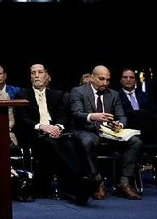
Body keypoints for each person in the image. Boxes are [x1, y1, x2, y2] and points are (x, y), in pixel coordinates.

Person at [15, 63, 96, 203]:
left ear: (47, 76)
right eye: (33, 73)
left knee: (71, 141)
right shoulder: (22, 94)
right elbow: (22, 120)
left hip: (56, 134)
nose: (36, 75)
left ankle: (80, 185)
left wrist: (57, 127)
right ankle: (81, 181)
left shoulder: (57, 95)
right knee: (50, 143)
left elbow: (63, 117)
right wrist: (42, 127)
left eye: (40, 72)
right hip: (34, 135)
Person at [69, 65, 143, 200]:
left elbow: (122, 116)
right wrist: (93, 116)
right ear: (92, 78)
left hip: (109, 132)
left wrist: (118, 125)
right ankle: (98, 182)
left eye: (108, 80)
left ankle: (124, 183)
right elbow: (76, 113)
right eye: (101, 79)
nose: (105, 83)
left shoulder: (113, 94)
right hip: (86, 130)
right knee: (87, 141)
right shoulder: (78, 91)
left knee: (135, 141)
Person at [117, 68, 157, 143]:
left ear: (135, 81)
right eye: (125, 77)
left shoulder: (146, 95)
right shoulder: (116, 96)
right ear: (120, 80)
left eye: (131, 77)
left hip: (147, 132)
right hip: (127, 132)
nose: (128, 80)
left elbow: (154, 114)